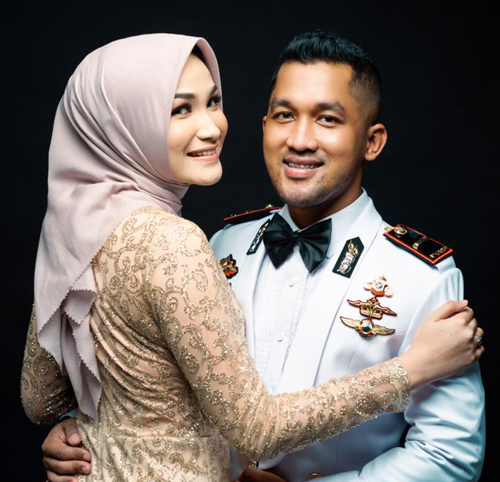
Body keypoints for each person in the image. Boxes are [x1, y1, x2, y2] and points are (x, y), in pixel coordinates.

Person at [28, 33, 483, 482]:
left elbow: (449, 454)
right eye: (285, 115)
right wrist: (87, 432)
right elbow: (154, 380)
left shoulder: (420, 277)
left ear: (372, 141)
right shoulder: (222, 244)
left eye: (327, 119)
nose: (300, 139)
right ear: (265, 126)